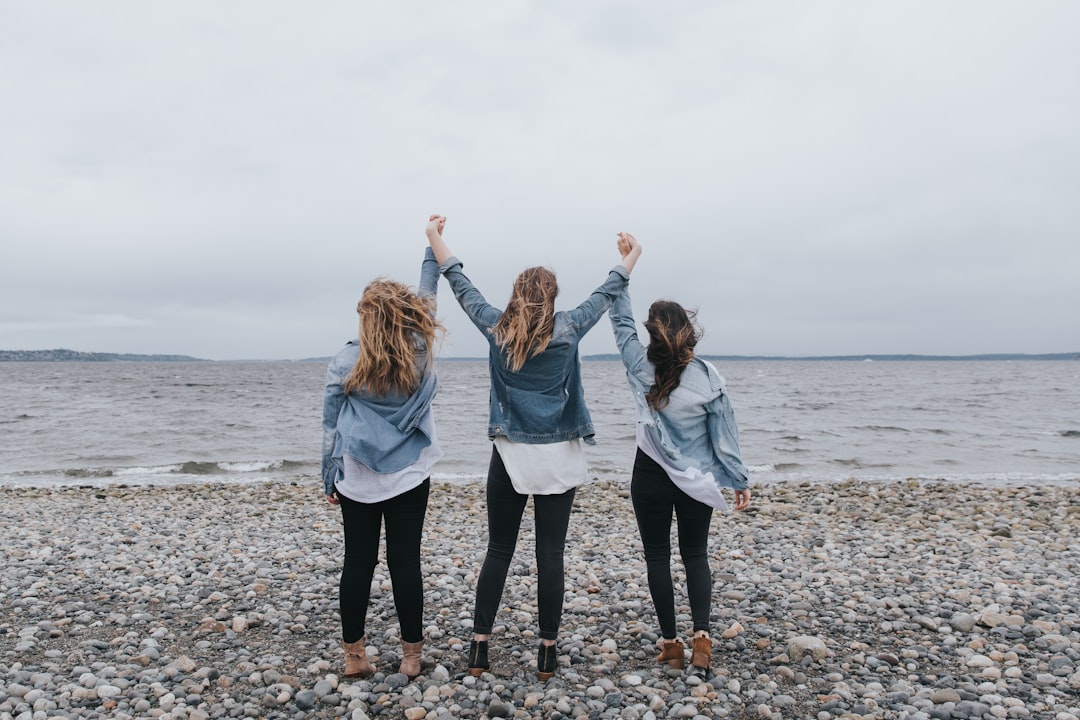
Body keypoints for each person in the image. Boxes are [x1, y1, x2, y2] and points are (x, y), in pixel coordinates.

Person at [425, 215, 641, 681]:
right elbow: (607, 292)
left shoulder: (496, 327)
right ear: (553, 297)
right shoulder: (569, 328)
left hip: (508, 456)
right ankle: (546, 652)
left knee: (499, 549)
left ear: (516, 295)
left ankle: (480, 647)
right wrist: (630, 254)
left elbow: (462, 286)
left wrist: (434, 237)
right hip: (559, 455)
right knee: (550, 555)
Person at [607, 232, 751, 674]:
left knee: (657, 557)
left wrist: (628, 264)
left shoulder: (638, 365)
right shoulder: (708, 375)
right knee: (695, 555)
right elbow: (724, 435)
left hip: (649, 476)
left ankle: (671, 645)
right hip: (696, 479)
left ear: (652, 332)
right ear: (686, 330)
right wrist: (737, 479)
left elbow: (619, 317)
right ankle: (702, 641)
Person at [320, 217, 446, 681]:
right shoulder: (418, 346)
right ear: (404, 315)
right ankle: (411, 657)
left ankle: (355, 657)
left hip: (358, 473)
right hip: (410, 471)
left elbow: (330, 421)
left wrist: (328, 470)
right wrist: (431, 243)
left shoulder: (347, 358)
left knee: (358, 561)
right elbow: (429, 291)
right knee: (404, 561)